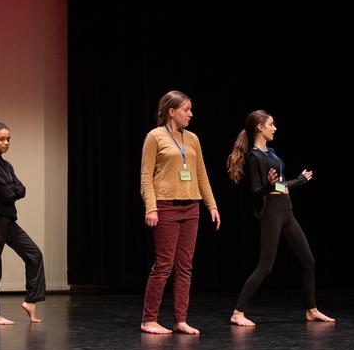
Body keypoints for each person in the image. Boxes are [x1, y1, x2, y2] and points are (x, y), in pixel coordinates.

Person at [226, 110, 332, 327]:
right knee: (265, 266)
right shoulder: (255, 157)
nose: (275, 128)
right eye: (271, 124)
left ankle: (311, 310)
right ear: (259, 127)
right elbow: (256, 192)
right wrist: (290, 182)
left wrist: (293, 182)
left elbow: (280, 185)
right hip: (272, 211)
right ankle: (238, 312)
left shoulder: (272, 153)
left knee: (308, 260)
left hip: (286, 209)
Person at [139, 90, 220, 335]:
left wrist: (212, 205)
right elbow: (146, 175)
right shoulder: (154, 137)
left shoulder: (192, 139)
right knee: (164, 264)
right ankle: (149, 319)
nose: (191, 114)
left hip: (191, 206)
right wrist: (150, 207)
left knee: (185, 266)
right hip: (165, 206)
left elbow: (201, 174)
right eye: (186, 110)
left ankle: (180, 319)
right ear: (172, 112)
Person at [0, 122, 45, 325]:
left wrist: (12, 189)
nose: (6, 143)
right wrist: (12, 188)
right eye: (1, 139)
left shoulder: (6, 165)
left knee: (34, 254)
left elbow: (21, 189)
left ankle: (31, 301)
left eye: (8, 139)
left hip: (8, 219)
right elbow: (7, 193)